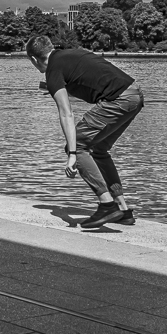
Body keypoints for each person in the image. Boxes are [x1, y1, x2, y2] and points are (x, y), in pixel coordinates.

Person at [26, 35, 145, 229]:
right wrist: (58, 88)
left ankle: (107, 204)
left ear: (33, 59)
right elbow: (90, 82)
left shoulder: (53, 69)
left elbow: (66, 113)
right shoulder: (70, 55)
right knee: (98, 150)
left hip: (119, 100)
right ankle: (123, 210)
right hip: (134, 95)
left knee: (79, 144)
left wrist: (72, 154)